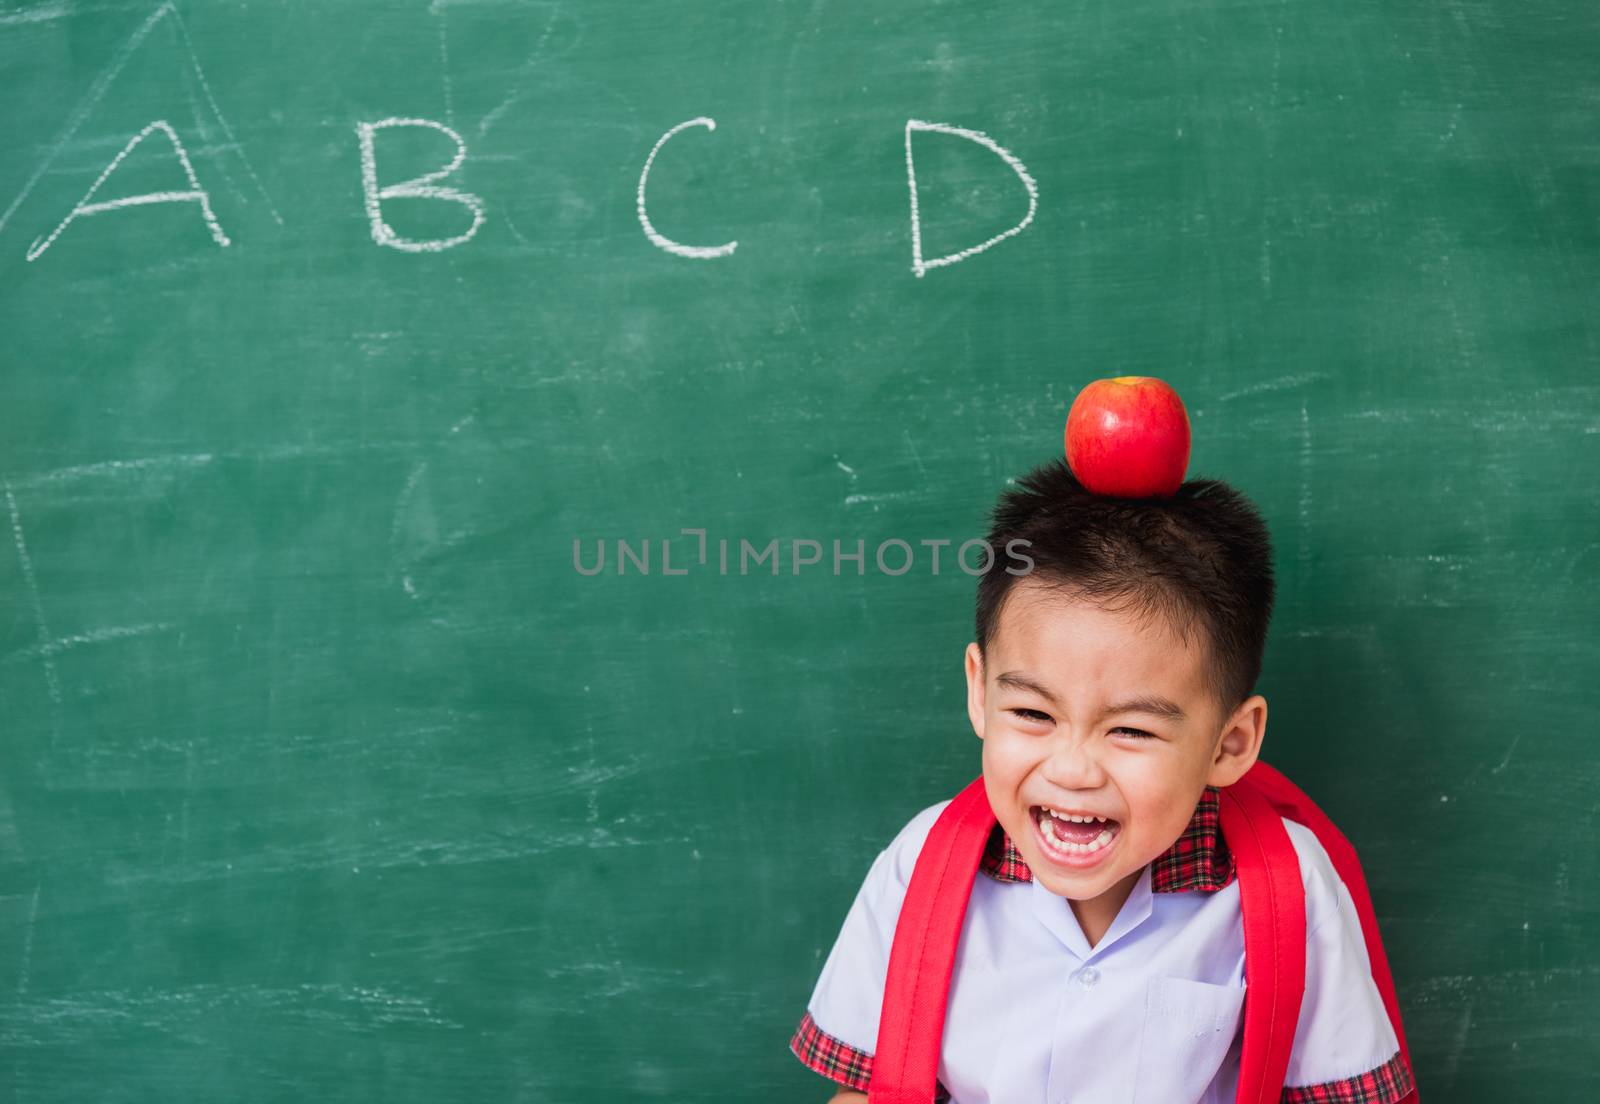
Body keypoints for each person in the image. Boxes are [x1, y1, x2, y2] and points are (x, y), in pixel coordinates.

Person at [789, 458, 1416, 1103]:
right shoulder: (922, 866)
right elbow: (866, 1091)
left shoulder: (1287, 889)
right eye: (1033, 714)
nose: (1072, 770)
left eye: (1132, 731)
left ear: (1231, 744)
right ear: (979, 692)